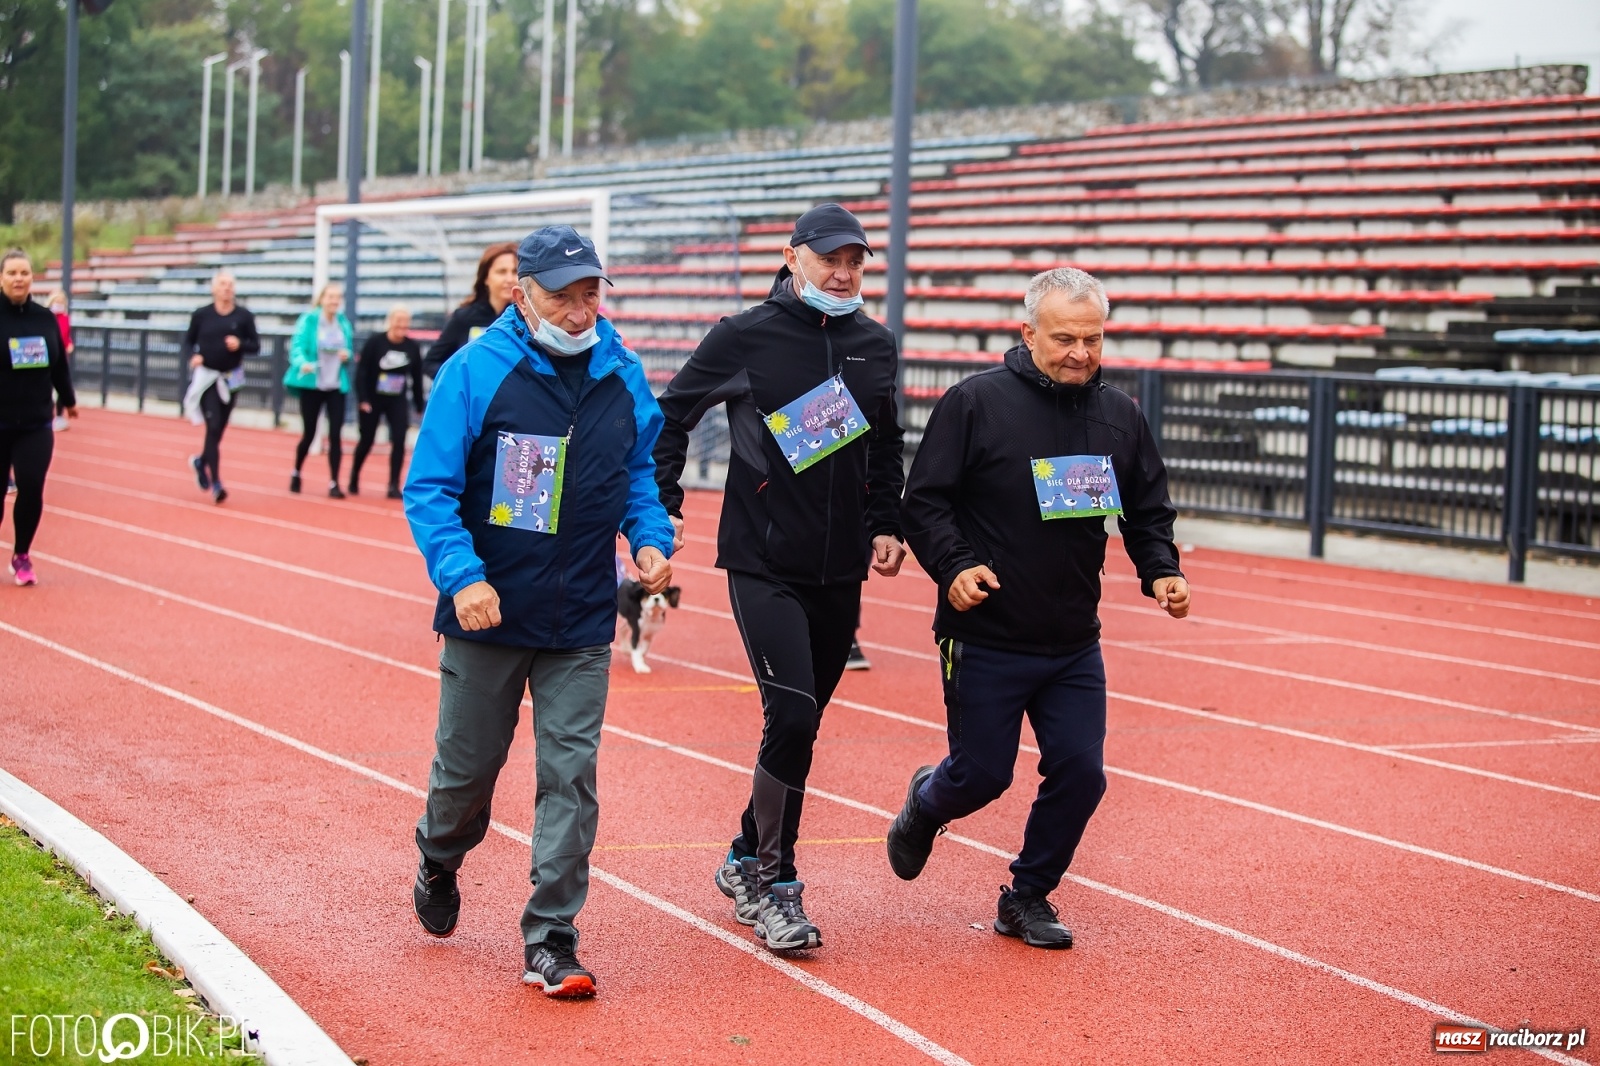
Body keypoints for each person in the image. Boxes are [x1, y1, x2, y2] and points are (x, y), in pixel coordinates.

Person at [404, 224, 675, 998]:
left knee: (570, 777)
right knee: (466, 774)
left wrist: (649, 539)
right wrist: (463, 578)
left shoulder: (622, 370)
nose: (580, 311)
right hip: (488, 612)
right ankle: (439, 855)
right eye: (562, 296)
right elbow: (430, 489)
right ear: (521, 294)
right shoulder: (475, 370)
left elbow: (638, 473)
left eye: (590, 294)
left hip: (581, 619)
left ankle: (552, 936)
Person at [887, 267, 1191, 950]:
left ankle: (1026, 895)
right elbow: (924, 502)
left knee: (1083, 775)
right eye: (1064, 339)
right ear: (1027, 334)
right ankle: (927, 802)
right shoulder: (975, 403)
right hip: (986, 634)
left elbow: (1147, 510)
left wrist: (1162, 570)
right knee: (982, 775)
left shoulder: (1120, 416)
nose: (1080, 353)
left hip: (1074, 640)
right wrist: (955, 566)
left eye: (1093, 339)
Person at [652, 203, 906, 953]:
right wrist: (663, 503)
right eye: (831, 259)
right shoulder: (745, 335)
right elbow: (671, 415)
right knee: (791, 716)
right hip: (762, 560)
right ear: (792, 258)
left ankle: (742, 854)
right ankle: (774, 883)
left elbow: (885, 442)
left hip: (840, 568)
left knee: (803, 723)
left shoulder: (874, 344)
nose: (845, 273)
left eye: (856, 261)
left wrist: (885, 522)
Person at [0, 250, 77, 586]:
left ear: (32, 277)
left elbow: (59, 365)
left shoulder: (45, 319)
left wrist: (69, 399)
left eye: (24, 273)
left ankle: (21, 555)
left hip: (35, 422)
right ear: (1, 278)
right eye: (12, 273)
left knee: (31, 486)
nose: (18, 279)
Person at [182, 271, 261, 504]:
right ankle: (216, 482)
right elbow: (188, 341)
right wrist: (194, 356)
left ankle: (201, 461)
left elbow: (256, 345)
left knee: (219, 430)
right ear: (214, 289)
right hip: (208, 377)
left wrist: (240, 344)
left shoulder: (243, 316)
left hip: (232, 377)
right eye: (223, 284)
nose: (227, 288)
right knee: (213, 425)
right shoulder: (202, 315)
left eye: (230, 284)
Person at [284, 282, 354, 497]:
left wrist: (347, 355)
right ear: (322, 299)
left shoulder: (343, 323)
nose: (334, 301)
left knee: (335, 435)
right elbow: (297, 347)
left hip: (336, 385)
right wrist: (302, 363)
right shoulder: (309, 320)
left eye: (337, 297)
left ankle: (334, 483)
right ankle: (296, 471)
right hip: (313, 385)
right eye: (330, 297)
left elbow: (349, 350)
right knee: (310, 433)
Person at [349, 304, 424, 498]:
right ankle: (354, 476)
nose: (402, 325)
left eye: (405, 322)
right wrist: (363, 399)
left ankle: (393, 484)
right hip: (373, 398)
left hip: (396, 399)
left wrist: (419, 404)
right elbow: (361, 372)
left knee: (399, 439)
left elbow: (416, 377)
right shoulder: (375, 342)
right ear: (390, 321)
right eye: (398, 321)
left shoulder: (412, 347)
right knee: (367, 440)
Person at [422, 242, 518, 382]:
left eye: (515, 272)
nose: (509, 279)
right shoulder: (464, 317)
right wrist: (462, 382)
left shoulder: (524, 319)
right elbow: (430, 362)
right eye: (501, 272)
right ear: (486, 278)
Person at [46, 289, 72, 432]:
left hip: (61, 359)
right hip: (47, 358)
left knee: (62, 386)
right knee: (46, 388)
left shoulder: (66, 318)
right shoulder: (46, 318)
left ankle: (60, 416)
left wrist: (69, 344)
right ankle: (47, 416)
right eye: (57, 301)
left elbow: (66, 336)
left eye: (61, 302)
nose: (59, 304)